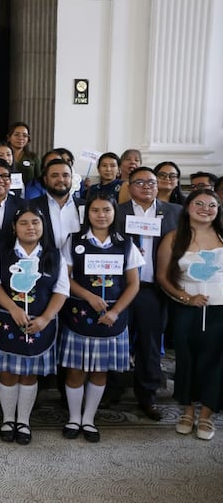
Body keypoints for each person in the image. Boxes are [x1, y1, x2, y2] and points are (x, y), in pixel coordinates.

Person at [59, 195, 143, 443]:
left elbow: (133, 284)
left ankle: (89, 419)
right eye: (95, 210)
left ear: (114, 212)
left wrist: (115, 311)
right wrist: (89, 296)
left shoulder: (126, 243)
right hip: (79, 316)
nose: (101, 215)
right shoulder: (74, 241)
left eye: (106, 210)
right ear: (88, 214)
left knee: (99, 371)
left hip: (112, 317)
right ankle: (74, 417)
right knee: (75, 371)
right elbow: (66, 279)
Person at [0, 206, 69, 445]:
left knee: (30, 374)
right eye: (24, 223)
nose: (30, 227)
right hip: (7, 320)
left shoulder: (54, 254)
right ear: (14, 227)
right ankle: (8, 419)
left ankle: (24, 421)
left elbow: (61, 290)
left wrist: (46, 318)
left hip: (40, 323)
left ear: (43, 226)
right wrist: (13, 308)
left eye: (35, 223)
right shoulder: (0, 251)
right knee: (8, 372)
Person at [109, 166, 181, 419]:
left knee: (149, 343)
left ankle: (147, 395)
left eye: (152, 182)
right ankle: (113, 389)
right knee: (118, 340)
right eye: (140, 182)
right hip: (121, 288)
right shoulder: (116, 211)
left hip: (153, 286)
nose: (148, 186)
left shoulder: (174, 213)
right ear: (129, 185)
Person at [156, 189, 223, 441]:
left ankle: (206, 414)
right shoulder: (174, 238)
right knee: (187, 359)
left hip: (220, 309)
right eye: (199, 203)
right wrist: (187, 298)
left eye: (212, 205)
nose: (206, 208)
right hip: (186, 308)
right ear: (187, 207)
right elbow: (162, 276)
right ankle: (187, 410)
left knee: (215, 362)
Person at [30, 158, 84, 252]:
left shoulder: (85, 206)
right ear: (45, 179)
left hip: (77, 263)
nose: (61, 179)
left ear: (71, 178)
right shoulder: (31, 206)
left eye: (65, 175)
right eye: (54, 175)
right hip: (44, 263)